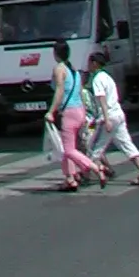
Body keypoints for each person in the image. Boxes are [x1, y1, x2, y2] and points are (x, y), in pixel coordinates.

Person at [85, 51, 139, 187]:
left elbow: (101, 99)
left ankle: (99, 172)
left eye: (89, 63)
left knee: (94, 148)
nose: (88, 66)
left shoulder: (97, 79)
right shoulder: (108, 77)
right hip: (118, 114)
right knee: (127, 144)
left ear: (95, 64)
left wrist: (106, 119)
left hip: (108, 117)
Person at [47, 40, 101, 193]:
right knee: (69, 146)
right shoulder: (74, 70)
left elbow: (59, 91)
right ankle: (70, 178)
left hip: (69, 112)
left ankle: (94, 168)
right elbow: (79, 92)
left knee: (68, 149)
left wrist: (51, 111)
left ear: (55, 53)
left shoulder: (59, 69)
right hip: (79, 111)